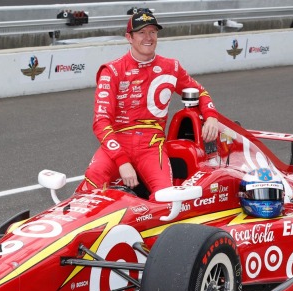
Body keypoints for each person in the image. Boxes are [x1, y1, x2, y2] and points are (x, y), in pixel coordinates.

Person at [78, 12, 221, 198]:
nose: (148, 38)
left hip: (152, 145)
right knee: (93, 179)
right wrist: (122, 162)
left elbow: (200, 92)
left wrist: (211, 116)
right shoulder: (112, 71)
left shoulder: (172, 67)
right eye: (141, 33)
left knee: (166, 197)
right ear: (129, 37)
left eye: (153, 32)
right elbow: (101, 122)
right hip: (118, 142)